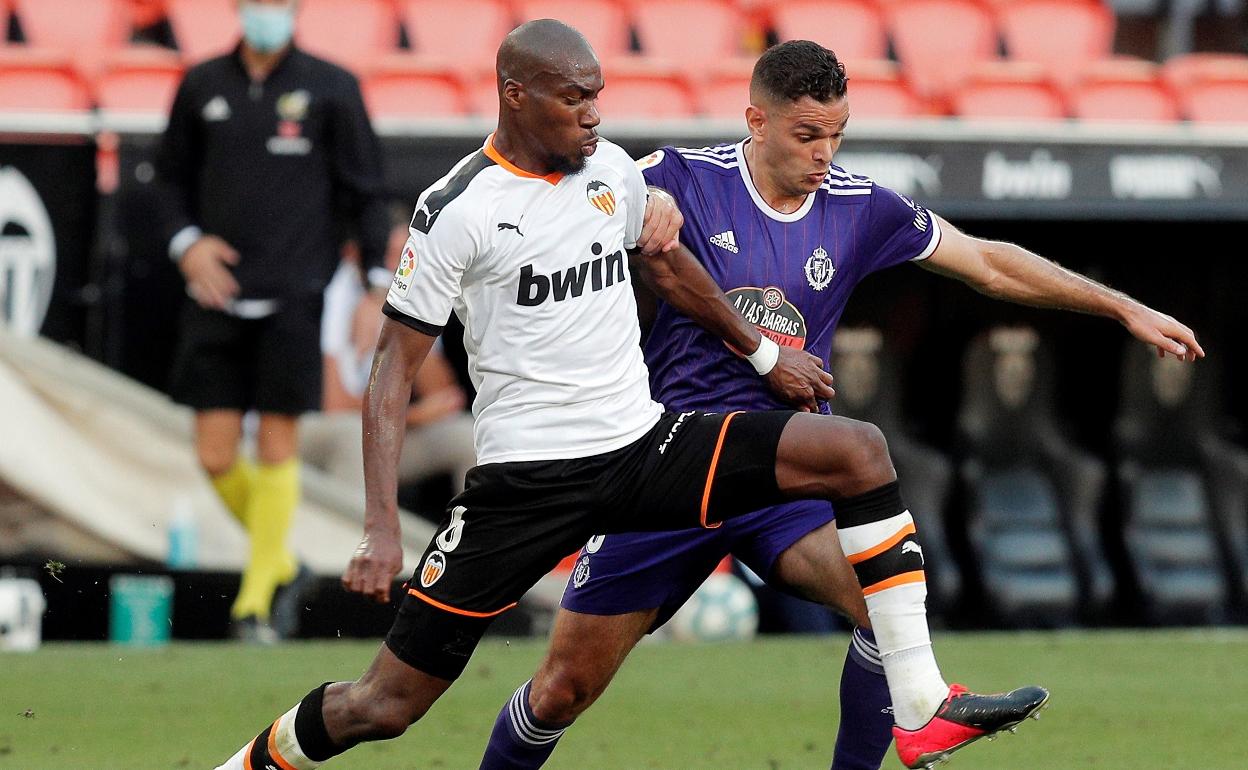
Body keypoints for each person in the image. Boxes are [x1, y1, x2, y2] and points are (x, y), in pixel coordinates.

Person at [213, 21, 1050, 770]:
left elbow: (670, 267)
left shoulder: (610, 168)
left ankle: (920, 706)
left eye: (598, 98)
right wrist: (382, 523)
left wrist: (763, 357)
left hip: (645, 447)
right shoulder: (457, 211)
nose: (593, 115)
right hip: (527, 483)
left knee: (858, 451)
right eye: (575, 99)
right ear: (517, 95)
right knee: (388, 707)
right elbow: (393, 370)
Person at [477, 40, 1206, 770]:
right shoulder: (680, 179)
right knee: (561, 690)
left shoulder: (858, 207)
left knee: (886, 605)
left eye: (837, 134)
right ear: (756, 121)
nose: (825, 153)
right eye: (807, 135)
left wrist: (1120, 308)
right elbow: (572, 204)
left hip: (786, 471)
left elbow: (985, 260)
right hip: (672, 471)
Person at [154, 0, 390, 641]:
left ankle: (252, 605)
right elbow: (167, 179)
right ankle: (281, 565)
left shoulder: (332, 87)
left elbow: (365, 189)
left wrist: (374, 283)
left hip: (293, 293)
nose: (269, 14)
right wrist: (187, 244)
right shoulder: (202, 83)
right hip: (215, 293)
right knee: (213, 454)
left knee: (278, 442)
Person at [301, 221, 476, 498]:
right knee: (352, 438)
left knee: (469, 438)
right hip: (310, 429)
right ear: (354, 254)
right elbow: (331, 404)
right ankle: (351, 541)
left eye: (406, 255)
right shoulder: (333, 291)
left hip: (383, 430)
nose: (398, 267)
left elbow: (445, 398)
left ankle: (469, 540)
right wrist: (414, 416)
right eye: (389, 256)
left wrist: (402, 327)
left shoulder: (413, 295)